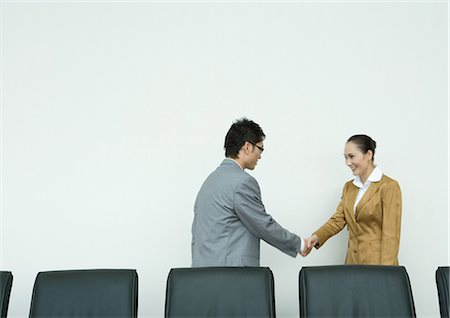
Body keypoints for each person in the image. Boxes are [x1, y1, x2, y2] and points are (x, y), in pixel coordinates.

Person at [191, 118, 306, 267]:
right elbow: (263, 225)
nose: (260, 155)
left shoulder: (209, 182)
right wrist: (300, 244)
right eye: (260, 148)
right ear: (247, 147)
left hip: (201, 275)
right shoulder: (243, 183)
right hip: (231, 276)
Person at [303, 135, 402, 265]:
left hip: (377, 265)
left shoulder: (388, 187)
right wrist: (316, 237)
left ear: (368, 154)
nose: (348, 163)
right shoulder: (349, 187)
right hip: (352, 263)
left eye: (351, 156)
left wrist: (386, 274)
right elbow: (338, 219)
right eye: (345, 157)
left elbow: (391, 236)